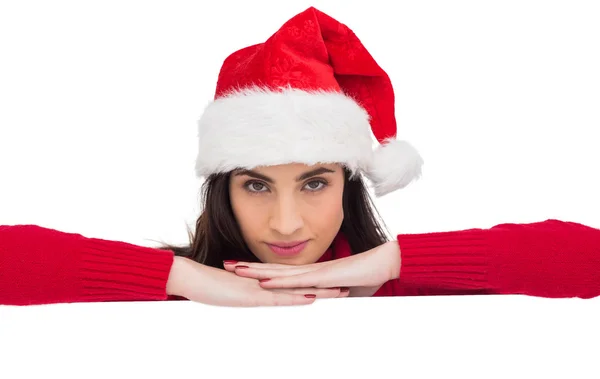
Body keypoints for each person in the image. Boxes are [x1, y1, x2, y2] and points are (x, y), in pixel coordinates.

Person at [2, 7, 600, 307]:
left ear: (349, 186)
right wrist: (186, 279)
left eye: (313, 184)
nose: (286, 224)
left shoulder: (397, 286)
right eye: (257, 186)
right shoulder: (169, 290)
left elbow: (590, 259)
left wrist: (386, 263)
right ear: (223, 191)